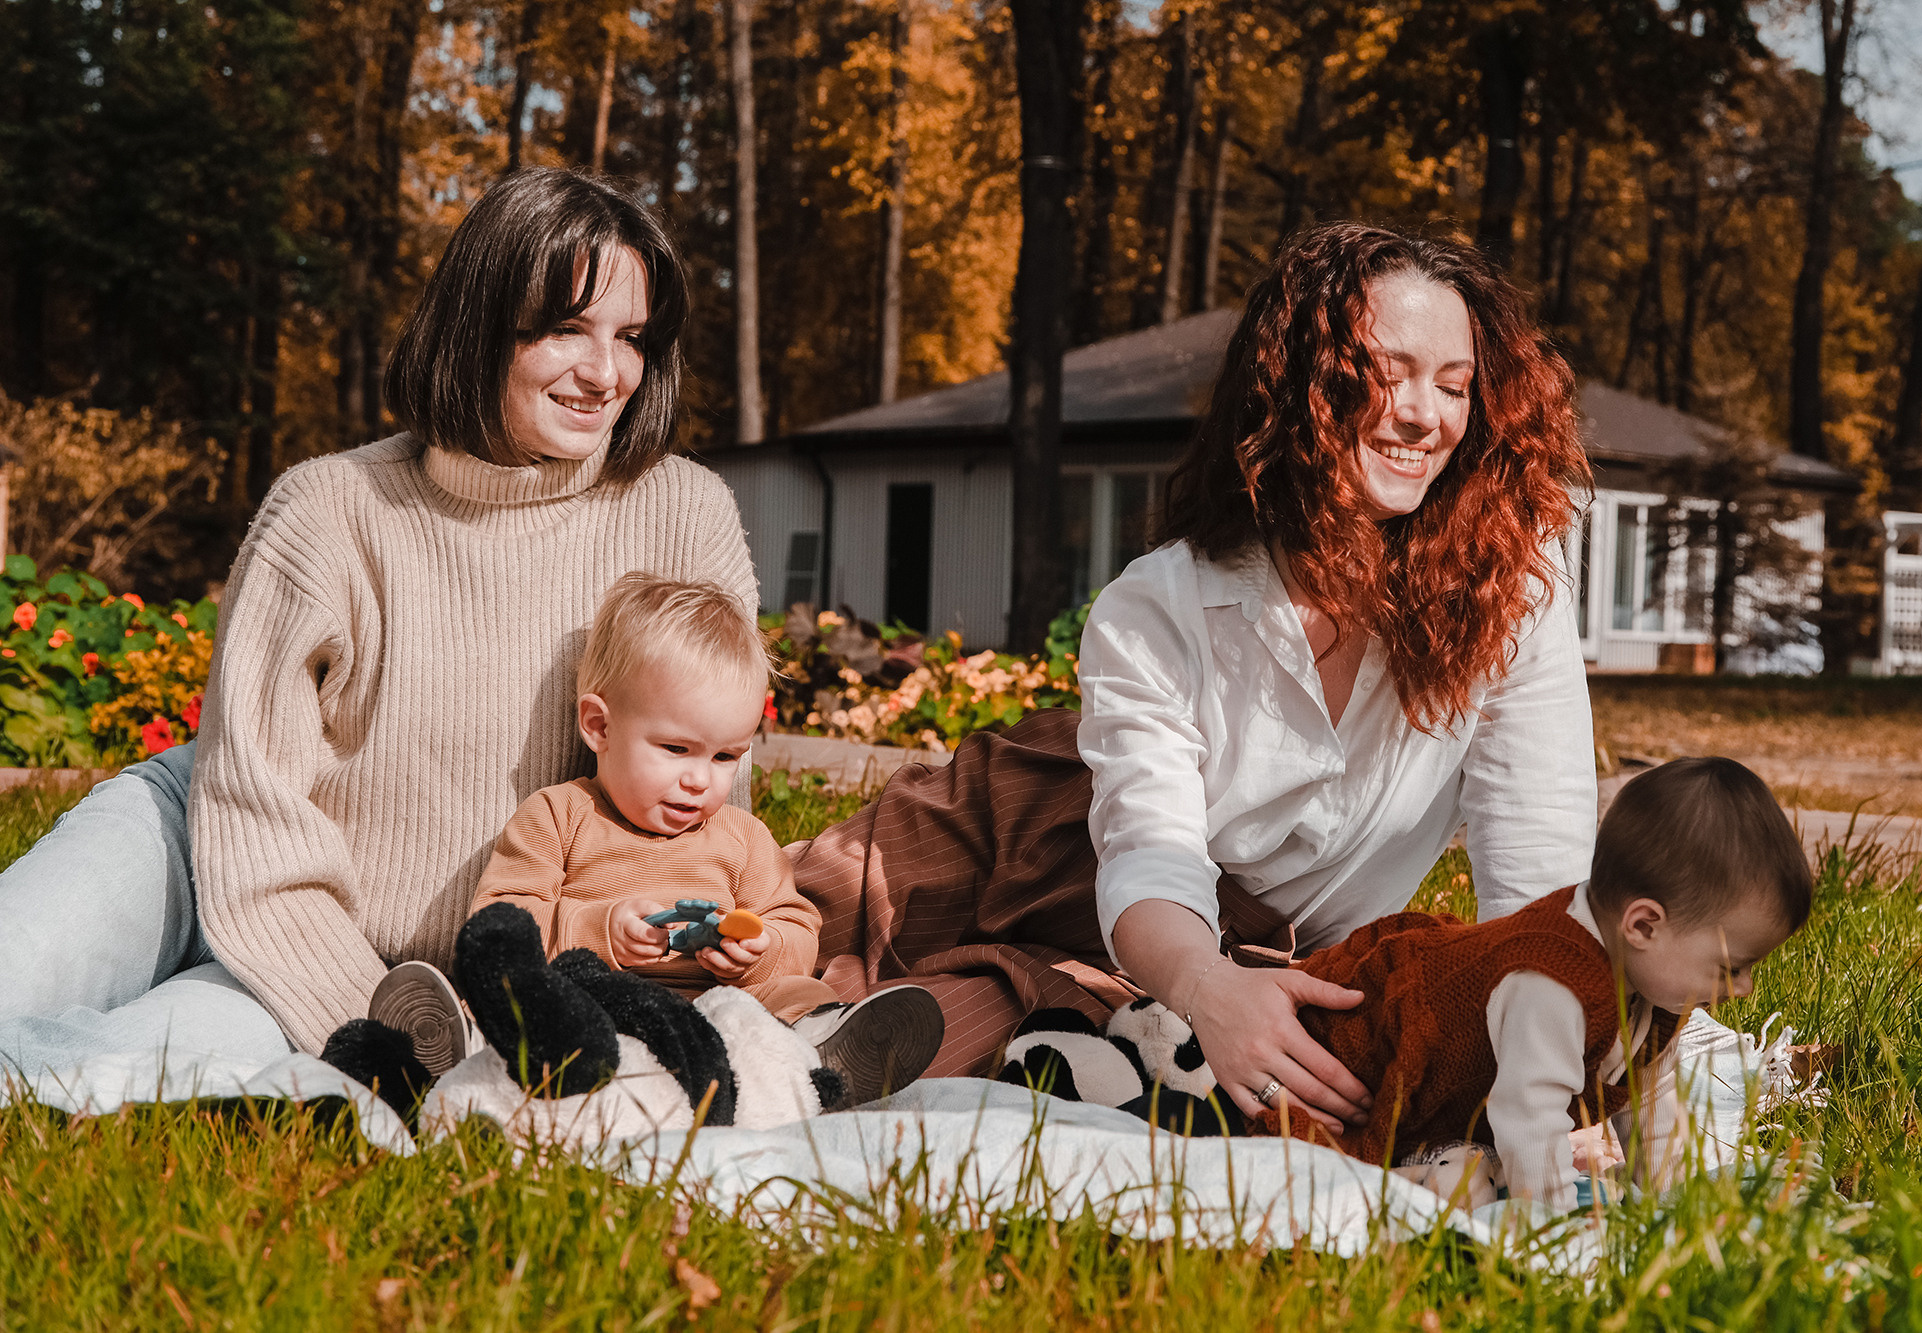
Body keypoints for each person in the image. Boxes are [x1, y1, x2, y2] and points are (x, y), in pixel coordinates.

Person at [0, 169, 866, 1089]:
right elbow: (252, 822)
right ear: (481, 322)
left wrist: (496, 1013)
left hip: (459, 966)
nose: (606, 373)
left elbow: (694, 809)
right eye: (567, 327)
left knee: (125, 1067)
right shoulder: (329, 510)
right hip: (223, 841)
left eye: (631, 338)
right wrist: (386, 1029)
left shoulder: (683, 512)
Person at [789, 222, 1598, 1124]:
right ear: (1301, 384)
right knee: (740, 923)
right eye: (1389, 372)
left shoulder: (1514, 594)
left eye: (1453, 387)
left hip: (1194, 951)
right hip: (1038, 827)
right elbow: (1152, 858)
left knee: (992, 1036)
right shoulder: (1163, 603)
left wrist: (1548, 1069)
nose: (1423, 414)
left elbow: (1539, 872)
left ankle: (804, 1047)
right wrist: (1206, 989)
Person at [426, 572, 941, 1100]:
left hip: (714, 1018)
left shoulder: (741, 837)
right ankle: (464, 1043)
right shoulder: (559, 816)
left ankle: (824, 1048)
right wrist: (599, 929)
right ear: (599, 727)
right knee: (516, 983)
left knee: (792, 990)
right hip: (592, 1007)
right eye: (676, 749)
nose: (699, 780)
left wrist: (759, 950)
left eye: (725, 757)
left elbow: (798, 926)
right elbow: (500, 916)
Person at [1245, 757, 1812, 1210]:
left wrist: (1675, 1200)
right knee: (1382, 1167)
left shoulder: (1657, 988)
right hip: (1365, 1045)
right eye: (1731, 967)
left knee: (1475, 1165)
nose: (1744, 989)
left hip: (1457, 1099)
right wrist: (1561, 1225)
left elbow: (1655, 1100)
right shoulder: (1552, 983)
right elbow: (1529, 1120)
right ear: (1643, 925)